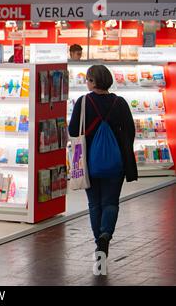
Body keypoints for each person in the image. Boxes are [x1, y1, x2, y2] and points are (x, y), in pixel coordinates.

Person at [68, 65, 137, 258]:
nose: (86, 83)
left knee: (94, 204)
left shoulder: (83, 102)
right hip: (116, 163)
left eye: (88, 79)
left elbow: (73, 131)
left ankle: (99, 240)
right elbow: (130, 131)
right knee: (111, 202)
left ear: (93, 81)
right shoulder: (120, 102)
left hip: (89, 163)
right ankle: (106, 234)